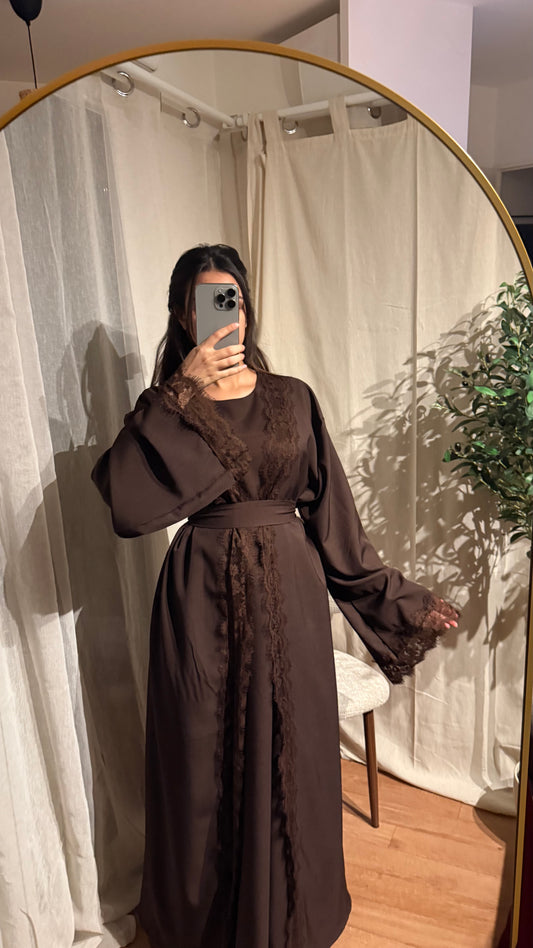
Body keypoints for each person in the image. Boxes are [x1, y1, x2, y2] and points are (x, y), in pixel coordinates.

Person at [91, 244, 459, 948]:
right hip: (199, 604)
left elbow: (336, 523)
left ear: (247, 306)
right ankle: (203, 925)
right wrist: (177, 395)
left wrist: (402, 603)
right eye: (206, 303)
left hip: (290, 600)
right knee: (202, 762)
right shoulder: (166, 411)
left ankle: (292, 917)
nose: (223, 315)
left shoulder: (291, 398)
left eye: (231, 298)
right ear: (183, 316)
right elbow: (129, 508)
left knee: (294, 753)